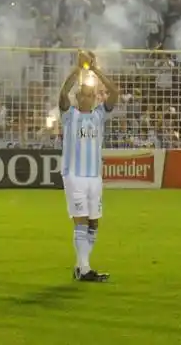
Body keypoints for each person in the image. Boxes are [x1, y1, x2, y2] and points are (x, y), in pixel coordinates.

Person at [58, 49, 120, 282]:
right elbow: (63, 93)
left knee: (94, 223)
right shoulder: (69, 115)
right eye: (84, 95)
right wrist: (78, 69)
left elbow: (114, 92)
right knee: (81, 220)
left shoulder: (99, 115)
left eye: (92, 95)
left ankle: (81, 266)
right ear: (78, 97)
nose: (88, 98)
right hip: (74, 175)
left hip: (94, 176)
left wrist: (95, 69)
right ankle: (84, 270)